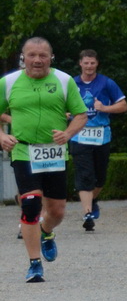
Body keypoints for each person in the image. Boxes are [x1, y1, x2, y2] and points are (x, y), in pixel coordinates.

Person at [0, 38, 89, 283]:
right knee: (30, 204)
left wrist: (68, 133)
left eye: (42, 55)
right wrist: (1, 136)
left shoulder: (64, 80)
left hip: (54, 152)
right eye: (32, 55)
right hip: (24, 151)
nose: (37, 60)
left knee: (57, 211)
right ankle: (34, 264)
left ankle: (45, 231)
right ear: (23, 57)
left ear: (51, 57)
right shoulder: (8, 83)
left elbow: (81, 114)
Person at [70, 50, 127, 231]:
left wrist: (105, 107)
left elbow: (123, 105)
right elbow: (59, 105)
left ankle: (93, 200)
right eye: (86, 63)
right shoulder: (71, 83)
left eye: (92, 63)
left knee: (100, 178)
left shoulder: (106, 82)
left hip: (101, 135)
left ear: (97, 64)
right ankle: (87, 214)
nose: (89, 66)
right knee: (84, 174)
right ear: (80, 63)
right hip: (79, 134)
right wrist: (67, 113)